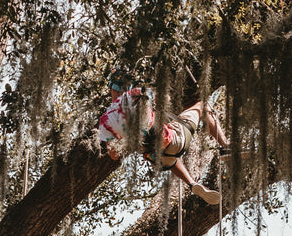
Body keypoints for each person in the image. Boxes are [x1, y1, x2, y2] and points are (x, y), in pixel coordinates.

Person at [97, 72, 228, 207]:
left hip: (156, 159)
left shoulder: (104, 121)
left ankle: (191, 183)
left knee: (168, 157)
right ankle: (226, 147)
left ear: (111, 88)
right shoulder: (135, 94)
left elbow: (113, 155)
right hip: (174, 142)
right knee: (202, 106)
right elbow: (166, 98)